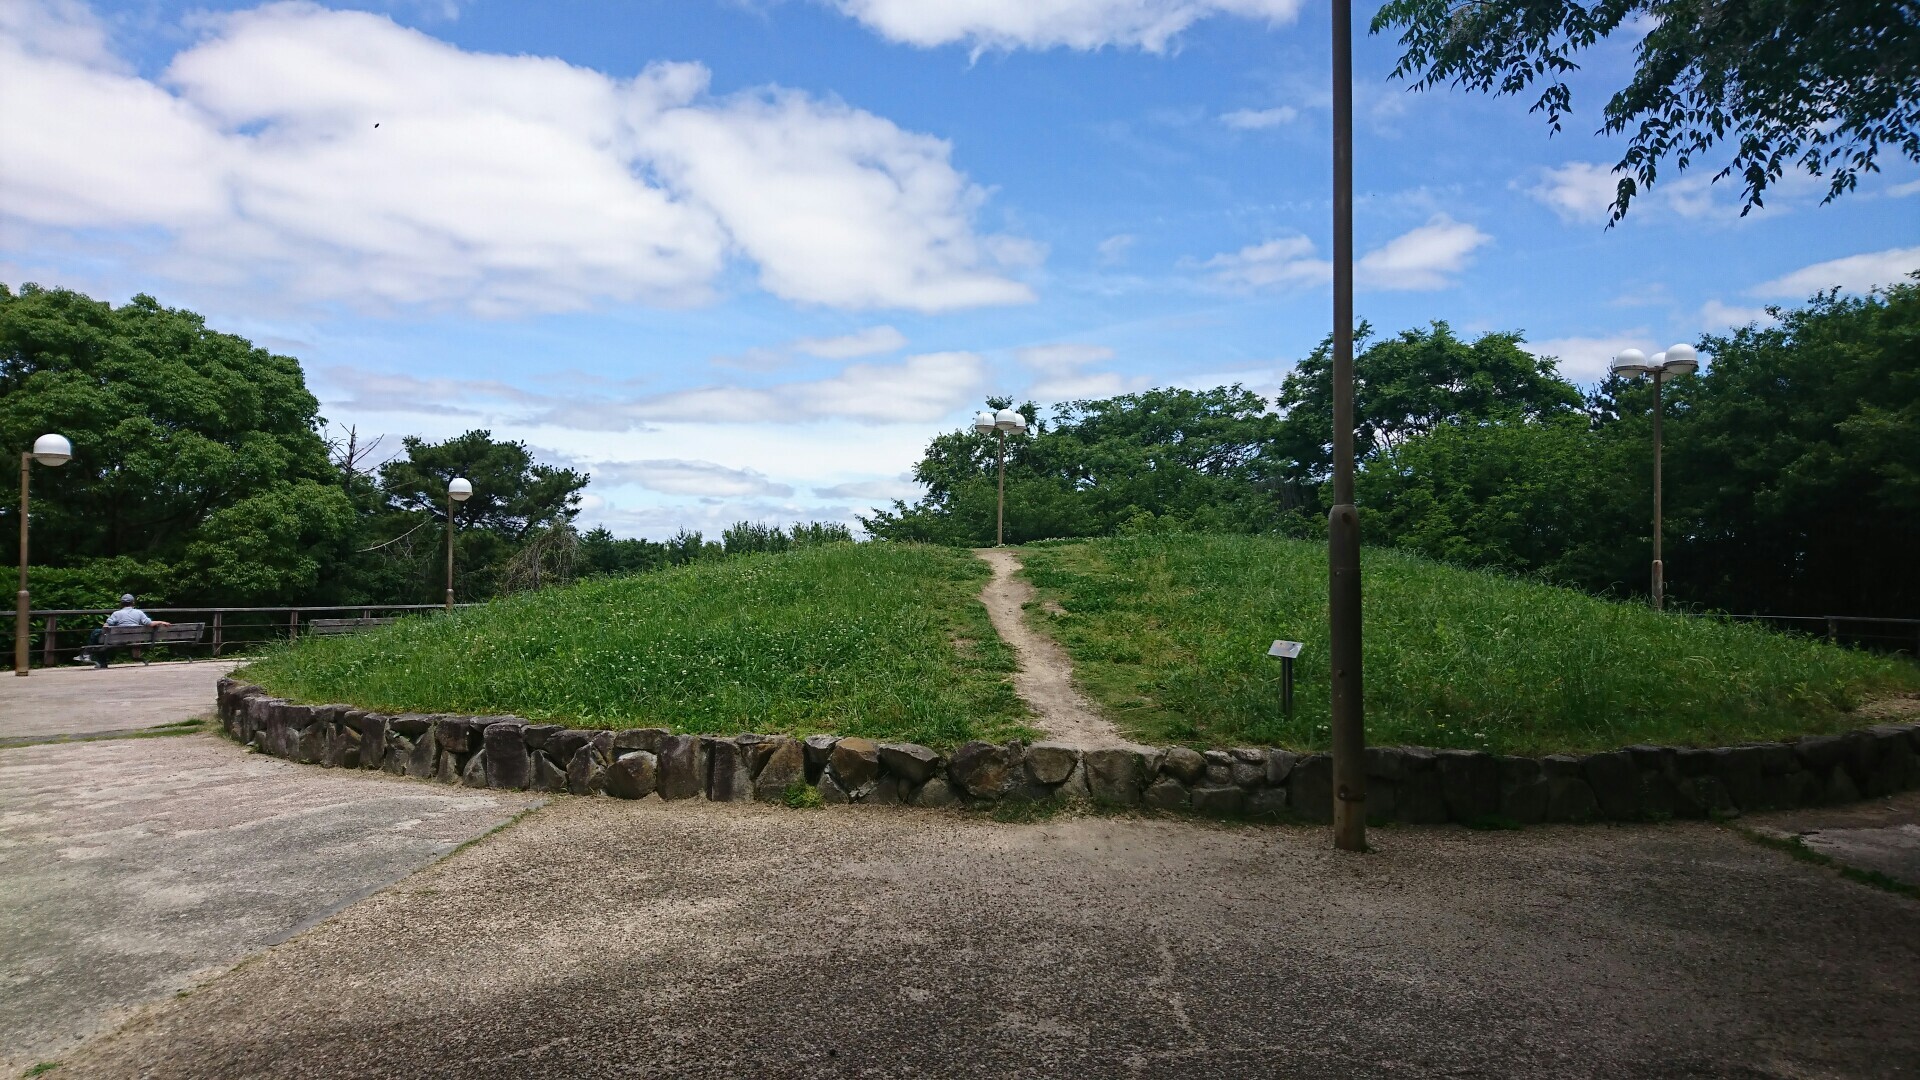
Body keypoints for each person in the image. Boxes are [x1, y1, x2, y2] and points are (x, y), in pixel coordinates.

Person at [76, 595, 171, 669]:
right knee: (100, 637)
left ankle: (89, 655)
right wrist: (161, 622)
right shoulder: (139, 613)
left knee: (97, 634)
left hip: (117, 640)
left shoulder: (117, 613)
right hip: (135, 639)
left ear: (121, 603)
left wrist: (104, 630)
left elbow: (106, 626)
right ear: (133, 603)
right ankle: (89, 656)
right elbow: (149, 623)